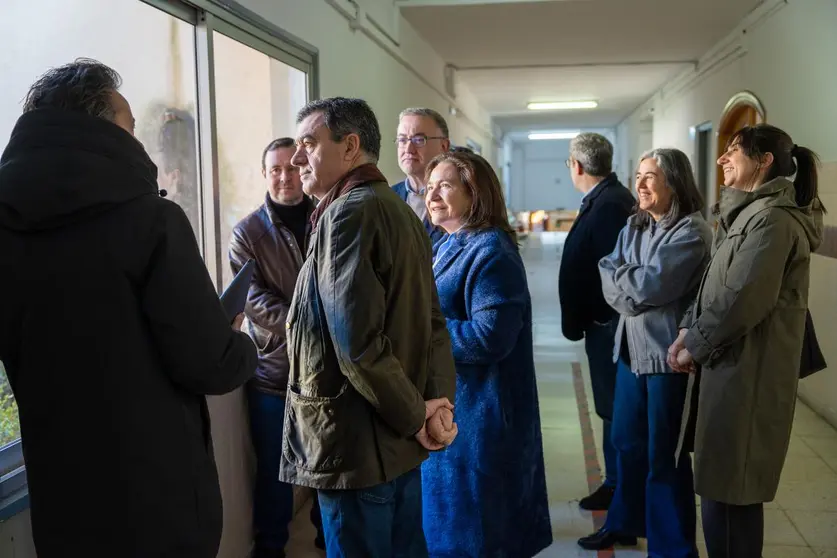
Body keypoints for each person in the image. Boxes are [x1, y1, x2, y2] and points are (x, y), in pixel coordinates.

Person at [0, 59, 257, 557]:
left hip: (62, 495)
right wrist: (239, 341)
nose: (138, 141)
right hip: (157, 499)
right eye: (130, 126)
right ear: (101, 129)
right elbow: (209, 363)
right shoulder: (150, 221)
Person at [279, 97, 458, 557]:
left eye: (308, 143)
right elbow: (434, 323)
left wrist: (419, 414)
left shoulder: (349, 214)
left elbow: (358, 345)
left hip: (357, 448)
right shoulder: (396, 208)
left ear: (350, 146)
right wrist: (435, 404)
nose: (297, 158)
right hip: (396, 443)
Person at [668, 124, 823, 558]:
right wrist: (687, 329)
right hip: (730, 368)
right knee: (722, 493)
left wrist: (692, 344)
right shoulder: (746, 214)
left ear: (765, 159)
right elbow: (712, 286)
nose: (722, 158)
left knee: (732, 498)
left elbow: (741, 300)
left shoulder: (771, 220)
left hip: (748, 375)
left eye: (733, 150)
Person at [579, 149, 712, 555]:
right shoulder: (634, 225)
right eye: (638, 175)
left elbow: (652, 286)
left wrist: (628, 287)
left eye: (651, 176)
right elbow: (607, 271)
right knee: (626, 443)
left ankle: (671, 546)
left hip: (666, 360)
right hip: (630, 353)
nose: (640, 184)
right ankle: (624, 522)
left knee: (663, 456)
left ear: (674, 182)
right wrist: (629, 287)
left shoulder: (692, 232)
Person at [421, 151, 553, 557]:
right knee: (455, 529)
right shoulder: (446, 243)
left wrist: (421, 337)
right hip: (454, 410)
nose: (433, 195)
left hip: (482, 416)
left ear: (474, 192)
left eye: (445, 185)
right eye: (429, 187)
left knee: (480, 533)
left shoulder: (491, 251)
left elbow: (489, 337)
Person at [228, 137, 324, 557]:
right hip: (275, 375)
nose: (284, 176)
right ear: (264, 174)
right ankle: (270, 550)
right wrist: (313, 323)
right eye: (275, 169)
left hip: (330, 374)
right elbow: (255, 302)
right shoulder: (247, 232)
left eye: (292, 167)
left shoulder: (327, 218)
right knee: (275, 474)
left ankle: (327, 543)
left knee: (330, 469)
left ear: (304, 169)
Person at [558, 132, 635, 511]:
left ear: (577, 165)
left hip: (610, 328)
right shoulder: (604, 200)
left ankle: (619, 487)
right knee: (609, 408)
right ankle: (616, 484)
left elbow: (613, 272)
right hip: (603, 326)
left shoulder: (610, 205)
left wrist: (600, 319)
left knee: (614, 409)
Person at [392, 107, 450, 244]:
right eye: (402, 140)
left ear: (444, 146)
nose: (408, 149)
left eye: (419, 140)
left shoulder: (459, 198)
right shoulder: (387, 198)